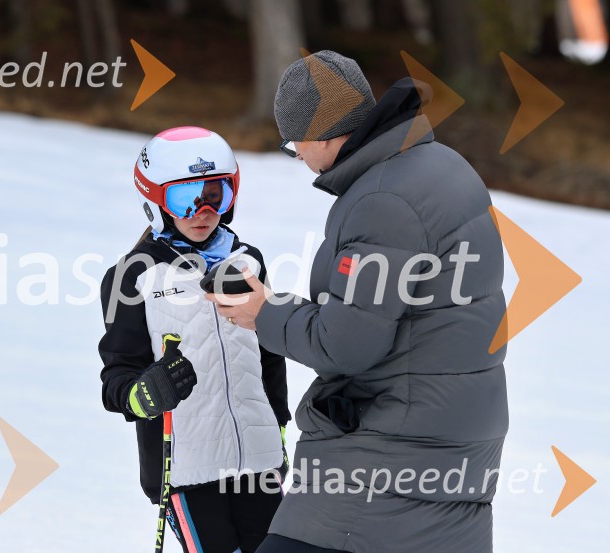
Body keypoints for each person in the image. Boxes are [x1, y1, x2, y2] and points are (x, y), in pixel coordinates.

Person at [208, 52, 509, 553]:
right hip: (453, 438)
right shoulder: (439, 165)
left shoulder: (381, 201)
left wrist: (265, 312)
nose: (299, 157)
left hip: (388, 455)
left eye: (294, 145)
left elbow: (346, 345)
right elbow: (389, 310)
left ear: (322, 135)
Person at [98, 126, 292, 553]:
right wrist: (142, 394)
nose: (203, 211)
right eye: (187, 198)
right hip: (187, 470)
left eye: (215, 195)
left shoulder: (247, 261)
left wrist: (278, 422)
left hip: (259, 460)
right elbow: (116, 378)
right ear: (155, 201)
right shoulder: (132, 278)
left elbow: (268, 352)